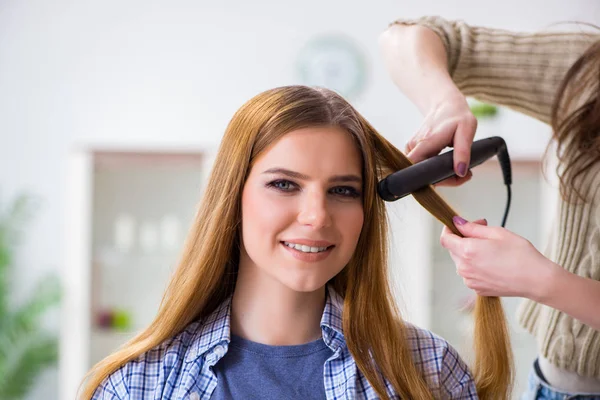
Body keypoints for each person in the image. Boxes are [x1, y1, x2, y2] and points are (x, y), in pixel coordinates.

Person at [80, 85, 483, 400]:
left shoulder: (428, 370)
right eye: (284, 184)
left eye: (343, 191)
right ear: (233, 197)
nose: (317, 215)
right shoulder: (137, 385)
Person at [379, 16, 600, 399]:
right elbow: (405, 37)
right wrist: (444, 102)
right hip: (561, 383)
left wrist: (542, 281)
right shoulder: (589, 73)